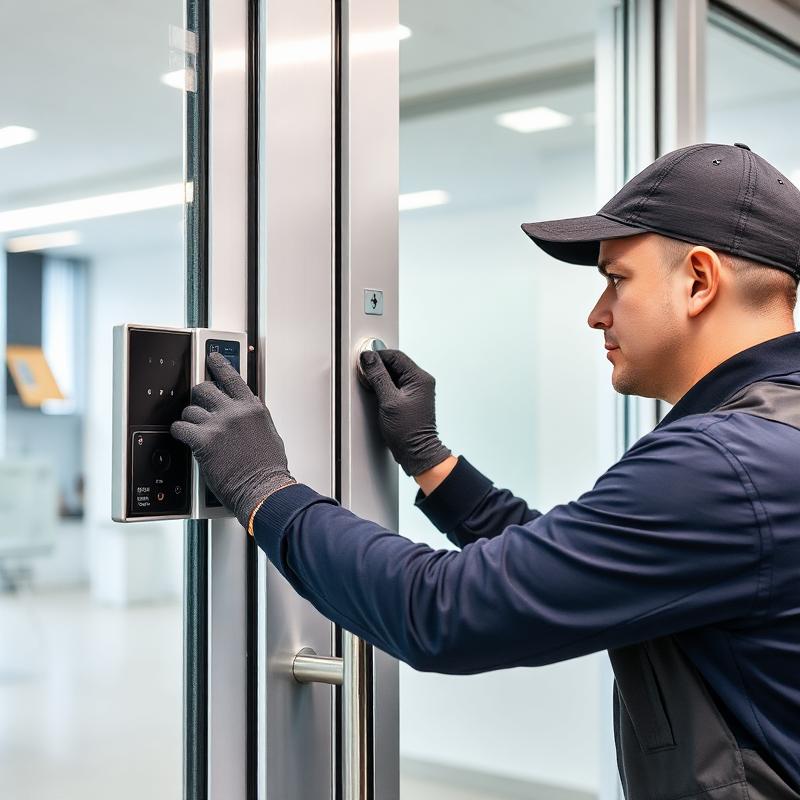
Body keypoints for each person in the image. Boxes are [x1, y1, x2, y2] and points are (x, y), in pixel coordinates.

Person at [171, 142, 800, 799]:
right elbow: (575, 562)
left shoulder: (725, 467)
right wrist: (428, 457)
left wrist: (263, 489)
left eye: (617, 278)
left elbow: (440, 610)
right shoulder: (771, 435)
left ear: (698, 280)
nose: (597, 313)